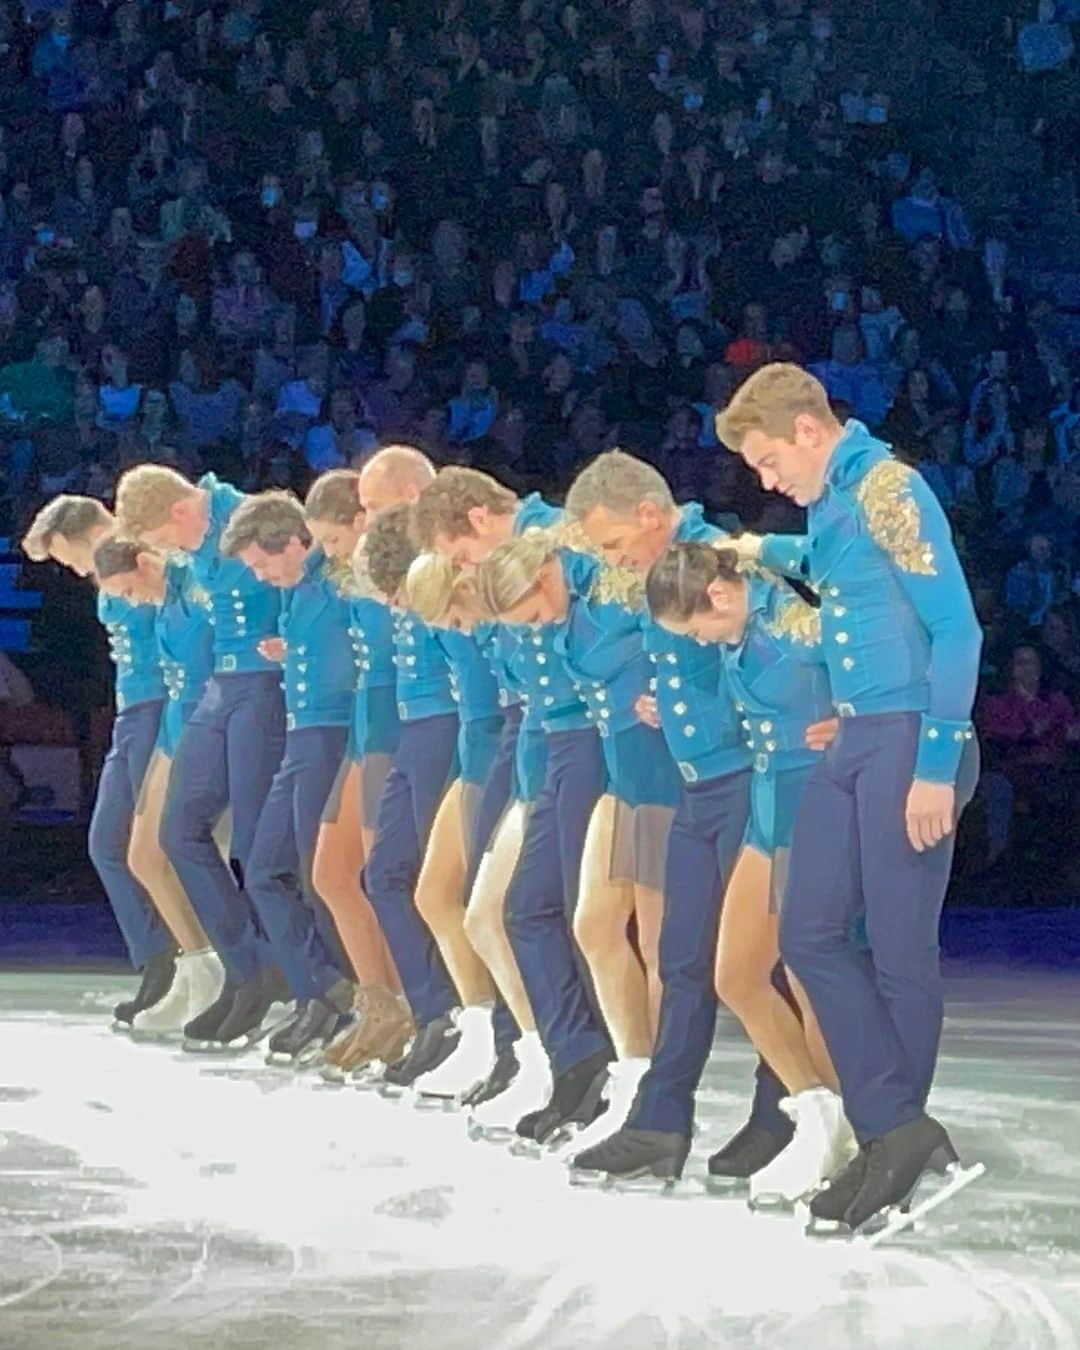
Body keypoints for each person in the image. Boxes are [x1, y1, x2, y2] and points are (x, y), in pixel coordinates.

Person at [718, 363, 982, 1234]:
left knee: (901, 951)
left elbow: (956, 627)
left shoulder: (887, 487)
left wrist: (936, 762)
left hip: (911, 738)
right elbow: (839, 572)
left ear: (805, 428)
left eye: (765, 462)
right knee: (809, 934)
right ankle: (895, 1128)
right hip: (858, 734)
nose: (765, 481)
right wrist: (761, 550)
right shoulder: (832, 509)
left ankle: (892, 1142)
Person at [557, 451, 796, 1190]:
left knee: (762, 962)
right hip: (695, 788)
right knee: (683, 961)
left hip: (748, 784)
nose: (610, 558)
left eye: (612, 541)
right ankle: (661, 1124)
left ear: (651, 518)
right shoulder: (650, 578)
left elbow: (780, 654)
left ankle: (783, 1111)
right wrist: (656, 700)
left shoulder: (722, 565)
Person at [643, 541, 854, 1206]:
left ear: (720, 596)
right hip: (768, 806)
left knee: (809, 977)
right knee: (734, 973)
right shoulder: (740, 631)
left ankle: (841, 1133)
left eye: (695, 627)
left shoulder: (794, 620)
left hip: (815, 802)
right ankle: (816, 1111)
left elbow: (884, 652)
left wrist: (866, 722)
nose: (699, 642)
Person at [417, 467, 613, 1148]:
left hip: (591, 744)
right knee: (518, 910)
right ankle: (569, 1058)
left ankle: (599, 1066)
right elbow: (528, 695)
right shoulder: (514, 563)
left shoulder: (562, 543)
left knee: (554, 912)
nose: (464, 573)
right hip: (548, 750)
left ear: (477, 520)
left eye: (461, 557)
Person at [475, 528, 682, 1159]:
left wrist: (671, 689)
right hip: (616, 767)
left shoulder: (614, 591)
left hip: (655, 765)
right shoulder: (574, 609)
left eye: (534, 614)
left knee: (654, 939)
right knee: (592, 925)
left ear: (545, 577)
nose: (535, 630)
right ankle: (629, 1073)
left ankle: (657, 1100)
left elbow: (682, 631)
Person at [115, 466, 290, 1050]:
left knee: (250, 844)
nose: (170, 553)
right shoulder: (193, 549)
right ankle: (247, 970)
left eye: (167, 539)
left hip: (265, 685)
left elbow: (299, 575)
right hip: (218, 689)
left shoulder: (248, 516)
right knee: (179, 831)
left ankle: (288, 979)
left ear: (183, 511)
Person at [21, 496, 181, 1029]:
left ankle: (191, 963)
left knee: (155, 846)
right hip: (132, 712)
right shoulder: (108, 585)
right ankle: (158, 958)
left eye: (70, 557)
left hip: (163, 710)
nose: (72, 570)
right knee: (107, 844)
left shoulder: (149, 564)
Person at [405, 554, 550, 1127]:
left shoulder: (502, 623)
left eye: (456, 619)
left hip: (512, 755)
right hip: (488, 755)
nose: (457, 632)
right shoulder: (483, 630)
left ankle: (538, 1053)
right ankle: (496, 1035)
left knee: (493, 914)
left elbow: (507, 709)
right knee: (451, 903)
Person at [219, 490, 363, 1065]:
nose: (261, 576)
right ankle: (322, 988)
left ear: (297, 543)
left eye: (263, 563)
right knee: (260, 868)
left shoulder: (340, 582)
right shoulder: (298, 592)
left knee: (315, 873)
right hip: (302, 735)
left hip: (332, 735)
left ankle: (349, 996)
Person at [91, 535, 226, 1037]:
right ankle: (198, 968)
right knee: (144, 856)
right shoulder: (164, 598)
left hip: (210, 726)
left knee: (190, 851)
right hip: (176, 726)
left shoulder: (193, 588)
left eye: (128, 588)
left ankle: (233, 966)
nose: (127, 602)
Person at [301, 471, 411, 1077]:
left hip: (394, 728)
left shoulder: (393, 570)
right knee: (330, 872)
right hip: (365, 727)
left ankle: (413, 1008)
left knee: (380, 877)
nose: (332, 554)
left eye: (335, 540)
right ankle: (380, 1003)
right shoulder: (354, 575)